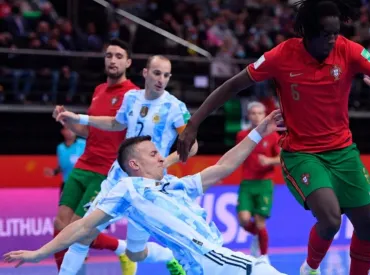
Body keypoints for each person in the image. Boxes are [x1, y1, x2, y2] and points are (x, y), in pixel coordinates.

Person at [176, 1, 370, 274]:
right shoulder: (281, 56)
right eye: (325, 34)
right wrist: (193, 125)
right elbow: (232, 85)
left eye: (335, 32)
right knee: (331, 221)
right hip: (302, 154)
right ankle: (309, 268)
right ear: (306, 32)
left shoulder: (348, 49)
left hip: (343, 152)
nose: (332, 39)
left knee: (369, 227)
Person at [4, 110, 287, 275]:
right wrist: (39, 254)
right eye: (154, 153)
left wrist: (259, 131)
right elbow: (82, 226)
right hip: (212, 259)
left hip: (210, 263)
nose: (162, 157)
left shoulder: (174, 184)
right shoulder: (129, 188)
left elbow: (224, 166)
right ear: (135, 164)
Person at [55, 55, 196, 275]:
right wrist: (80, 118)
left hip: (147, 188)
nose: (161, 79)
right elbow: (115, 123)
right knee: (83, 235)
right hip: (117, 179)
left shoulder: (174, 107)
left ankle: (168, 255)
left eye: (166, 75)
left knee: (135, 253)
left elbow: (192, 146)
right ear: (145, 73)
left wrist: (164, 162)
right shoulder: (131, 98)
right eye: (157, 73)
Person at [51, 38, 138, 275]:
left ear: (128, 62)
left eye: (119, 56)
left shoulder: (133, 95)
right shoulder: (99, 90)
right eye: (109, 55)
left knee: (77, 229)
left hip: (106, 172)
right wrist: (68, 120)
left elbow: (118, 127)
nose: (113, 60)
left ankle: (121, 248)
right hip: (83, 166)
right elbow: (90, 132)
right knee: (60, 226)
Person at [236, 102, 280, 262]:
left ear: (264, 115)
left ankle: (263, 256)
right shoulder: (242, 136)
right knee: (244, 219)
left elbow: (282, 158)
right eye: (253, 113)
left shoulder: (273, 136)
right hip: (247, 183)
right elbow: (236, 156)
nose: (256, 116)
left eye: (260, 113)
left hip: (264, 183)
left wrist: (268, 161)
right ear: (248, 116)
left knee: (260, 222)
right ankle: (257, 237)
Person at [44, 126, 86, 197]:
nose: (70, 132)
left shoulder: (84, 144)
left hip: (81, 182)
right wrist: (54, 172)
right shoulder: (60, 147)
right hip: (66, 183)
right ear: (62, 131)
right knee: (63, 206)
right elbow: (61, 166)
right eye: (67, 129)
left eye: (72, 129)